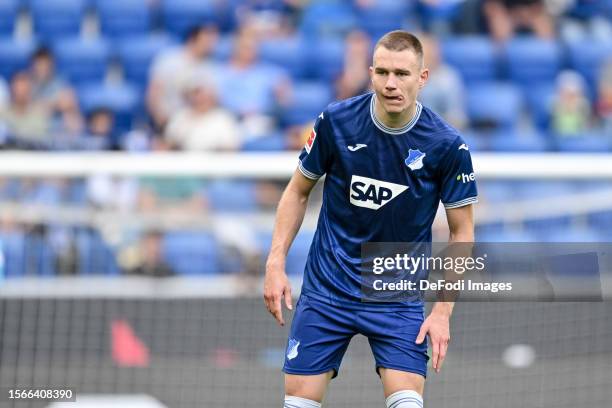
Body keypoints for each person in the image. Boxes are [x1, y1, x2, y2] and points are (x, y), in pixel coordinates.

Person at [264, 31, 477, 408]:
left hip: (396, 296)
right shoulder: (336, 121)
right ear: (371, 73)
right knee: (298, 403)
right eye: (382, 72)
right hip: (328, 289)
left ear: (422, 78)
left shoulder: (447, 144)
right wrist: (275, 261)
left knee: (408, 402)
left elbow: (462, 231)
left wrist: (443, 311)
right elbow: (297, 191)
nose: (391, 83)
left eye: (402, 73)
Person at [146, 24, 219, 130]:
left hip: (196, 123)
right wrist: (160, 120)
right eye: (207, 40)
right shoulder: (169, 59)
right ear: (193, 39)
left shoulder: (209, 67)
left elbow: (211, 99)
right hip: (167, 119)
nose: (211, 45)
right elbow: (153, 93)